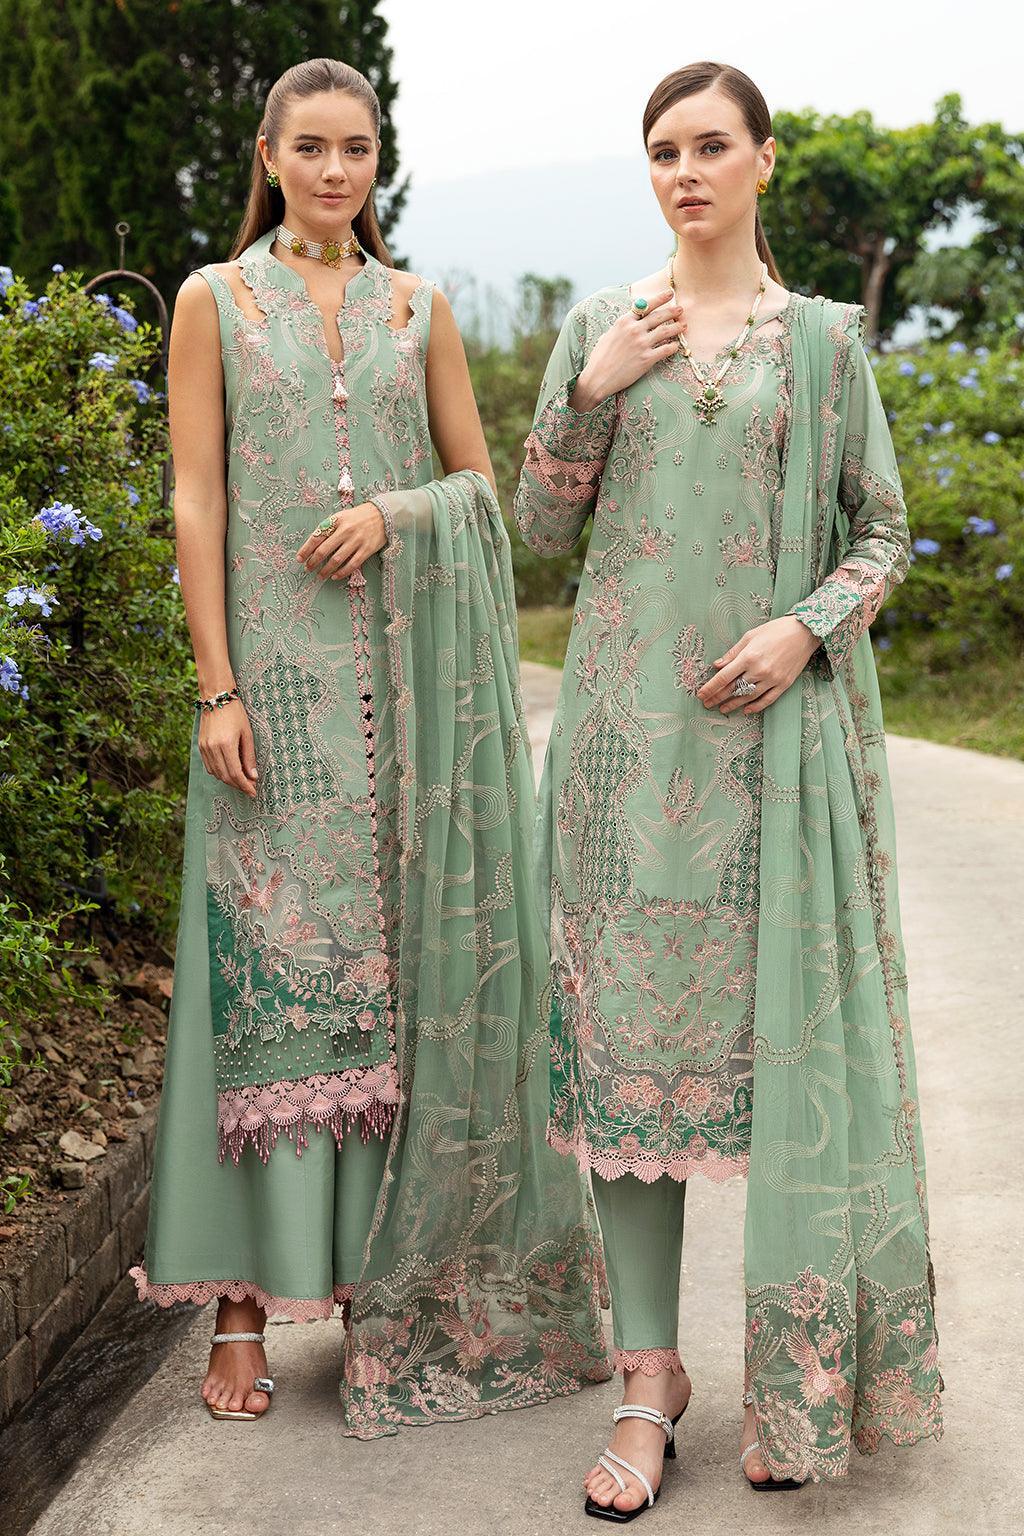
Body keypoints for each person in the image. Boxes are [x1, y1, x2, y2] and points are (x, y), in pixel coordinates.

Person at [130, 56, 610, 1437]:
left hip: (411, 708)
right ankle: (241, 1305)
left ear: (376, 162)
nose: (335, 171)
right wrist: (216, 688)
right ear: (269, 157)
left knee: (403, 990)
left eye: (356, 149)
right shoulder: (214, 302)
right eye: (312, 149)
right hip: (274, 704)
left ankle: (385, 1294)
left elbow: (482, 492)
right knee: (265, 977)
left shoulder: (418, 308)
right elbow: (196, 495)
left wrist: (397, 513)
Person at [514, 59, 943, 1517]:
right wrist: (590, 390)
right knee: (631, 1081)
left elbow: (882, 532)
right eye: (661, 151)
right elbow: (539, 529)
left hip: (778, 761)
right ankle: (650, 1385)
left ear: (765, 159)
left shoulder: (822, 343)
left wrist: (802, 628)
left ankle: (800, 1380)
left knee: (791, 1072)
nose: (684, 172)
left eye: (709, 146)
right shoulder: (605, 324)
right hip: (623, 762)